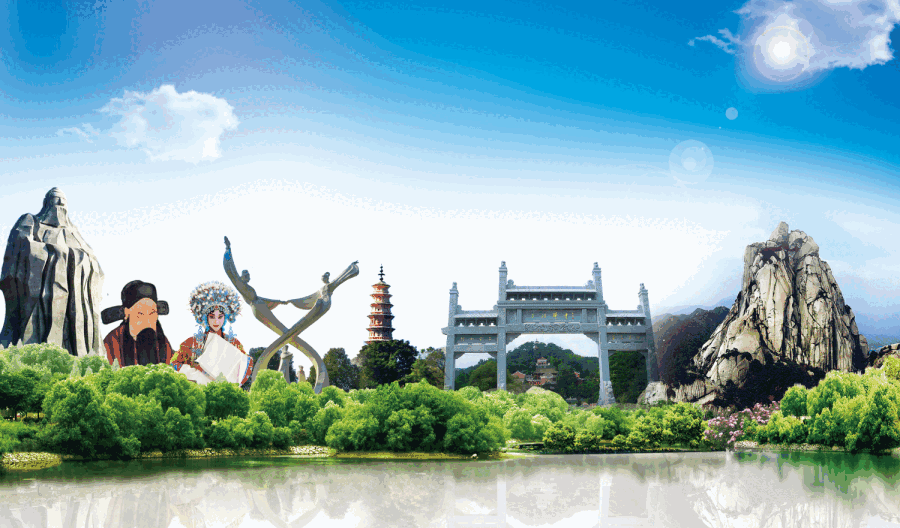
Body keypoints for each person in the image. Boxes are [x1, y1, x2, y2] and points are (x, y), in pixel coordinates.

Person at [172, 280, 253, 385]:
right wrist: (197, 375)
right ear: (205, 317)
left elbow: (243, 368)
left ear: (225, 317)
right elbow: (174, 363)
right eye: (212, 317)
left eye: (220, 317)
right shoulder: (191, 343)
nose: (216, 321)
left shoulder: (234, 343)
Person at [101, 280, 174, 366]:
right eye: (141, 313)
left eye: (152, 313)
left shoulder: (162, 341)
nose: (147, 320)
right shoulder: (113, 341)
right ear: (127, 314)